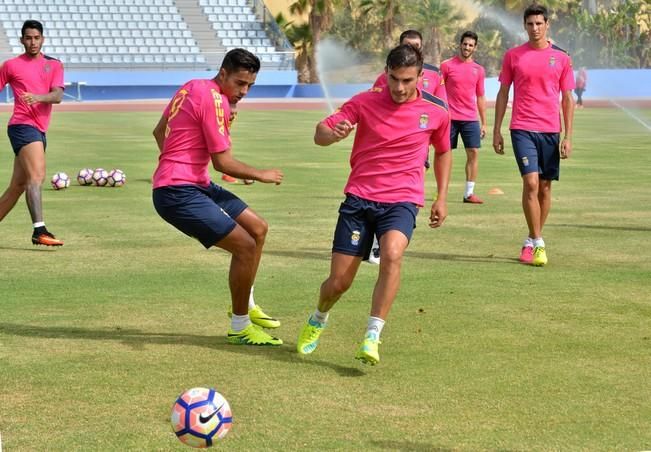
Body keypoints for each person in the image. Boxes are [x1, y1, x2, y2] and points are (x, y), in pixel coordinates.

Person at [296, 44, 452, 365]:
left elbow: (444, 151)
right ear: (386, 73)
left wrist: (442, 197)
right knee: (339, 283)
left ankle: (372, 335)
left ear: (421, 77)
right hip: (359, 200)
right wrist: (332, 133)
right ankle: (319, 317)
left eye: (407, 80)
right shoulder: (364, 102)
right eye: (394, 78)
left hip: (402, 200)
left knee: (392, 253)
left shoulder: (436, 112)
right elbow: (320, 133)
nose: (399, 87)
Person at [152, 48, 284, 345]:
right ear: (222, 73)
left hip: (193, 183)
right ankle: (239, 326)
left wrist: (176, 161)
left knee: (258, 229)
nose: (244, 91)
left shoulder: (192, 86)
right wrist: (261, 173)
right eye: (239, 83)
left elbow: (159, 131)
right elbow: (223, 163)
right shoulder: (213, 100)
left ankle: (246, 302)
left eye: (250, 85)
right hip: (177, 192)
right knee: (245, 247)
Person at [493, 4, 575, 267]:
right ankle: (539, 242)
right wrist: (496, 130)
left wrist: (568, 136)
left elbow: (567, 98)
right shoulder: (513, 56)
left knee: (545, 187)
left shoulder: (561, 58)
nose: (535, 28)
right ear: (524, 26)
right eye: (530, 24)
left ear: (547, 24)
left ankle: (530, 238)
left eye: (539, 23)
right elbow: (503, 92)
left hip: (551, 130)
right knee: (530, 184)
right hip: (522, 128)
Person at [368, 29, 448, 264]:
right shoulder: (387, 76)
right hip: (385, 150)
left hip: (417, 149)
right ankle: (376, 245)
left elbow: (441, 105)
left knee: (405, 194)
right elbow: (371, 103)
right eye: (408, 45)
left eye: (416, 45)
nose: (413, 48)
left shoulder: (434, 74)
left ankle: (386, 243)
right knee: (384, 193)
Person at [0, 20, 65, 246]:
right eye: (28, 38)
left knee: (18, 186)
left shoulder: (54, 65)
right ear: (21, 40)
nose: (32, 42)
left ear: (42, 39)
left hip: (39, 129)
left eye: (36, 38)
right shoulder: (10, 65)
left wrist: (37, 96)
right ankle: (39, 231)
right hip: (21, 126)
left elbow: (57, 96)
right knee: (36, 177)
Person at [440, 31, 487, 204]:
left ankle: (469, 194)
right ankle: (441, 192)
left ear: (475, 48)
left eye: (470, 45)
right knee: (444, 154)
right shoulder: (446, 66)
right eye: (465, 44)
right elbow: (438, 91)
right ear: (460, 44)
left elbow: (481, 96)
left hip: (470, 119)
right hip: (449, 118)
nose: (467, 47)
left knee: (473, 153)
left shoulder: (479, 70)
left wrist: (484, 123)